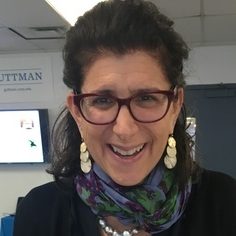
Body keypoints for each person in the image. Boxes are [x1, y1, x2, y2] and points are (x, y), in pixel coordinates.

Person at [13, 0, 236, 235]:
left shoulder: (225, 203)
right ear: (77, 111)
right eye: (102, 100)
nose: (125, 129)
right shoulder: (40, 212)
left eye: (146, 98)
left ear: (174, 106)